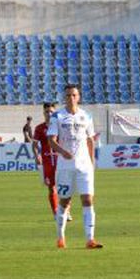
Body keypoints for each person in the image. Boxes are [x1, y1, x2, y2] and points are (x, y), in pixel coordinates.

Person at [48, 83, 102, 249]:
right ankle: (60, 237)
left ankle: (90, 239)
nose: (71, 98)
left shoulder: (86, 116)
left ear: (78, 97)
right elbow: (51, 140)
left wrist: (92, 162)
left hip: (84, 165)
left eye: (74, 95)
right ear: (64, 98)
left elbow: (90, 139)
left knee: (87, 199)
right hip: (65, 166)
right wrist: (62, 152)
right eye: (68, 95)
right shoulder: (57, 116)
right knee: (64, 201)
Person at [31, 103, 61, 218]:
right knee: (51, 186)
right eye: (47, 112)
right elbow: (34, 144)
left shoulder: (60, 126)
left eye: (51, 112)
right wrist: (36, 155)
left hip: (60, 159)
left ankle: (66, 211)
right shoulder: (39, 128)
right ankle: (55, 212)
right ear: (43, 113)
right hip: (47, 161)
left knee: (65, 186)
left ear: (55, 113)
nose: (49, 114)